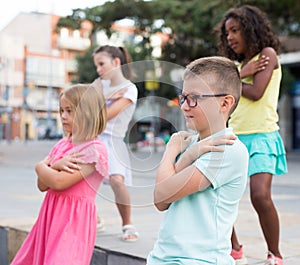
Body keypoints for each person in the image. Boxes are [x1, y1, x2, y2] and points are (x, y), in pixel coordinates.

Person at [147, 56, 249, 265]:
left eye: (194, 98)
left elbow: (161, 194)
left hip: (198, 260)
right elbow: (162, 202)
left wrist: (171, 151)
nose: (184, 106)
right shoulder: (193, 143)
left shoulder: (227, 149)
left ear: (225, 102)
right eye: (183, 97)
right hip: (164, 257)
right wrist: (191, 153)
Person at [216, 5, 288, 265]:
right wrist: (237, 74)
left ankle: (275, 253)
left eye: (235, 30)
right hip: (233, 137)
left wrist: (231, 80)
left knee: (260, 195)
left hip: (262, 136)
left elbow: (256, 92)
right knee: (218, 194)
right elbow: (217, 92)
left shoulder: (267, 55)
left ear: (250, 29)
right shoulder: (236, 66)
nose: (230, 37)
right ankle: (234, 249)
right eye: (227, 33)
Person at [11, 84, 108, 264]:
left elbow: (57, 181)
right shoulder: (62, 145)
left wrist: (42, 166)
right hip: (51, 216)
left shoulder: (93, 150)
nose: (63, 116)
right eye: (61, 110)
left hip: (73, 222)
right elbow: (42, 185)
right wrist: (49, 166)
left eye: (70, 111)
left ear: (88, 113)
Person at [93, 45, 139, 242]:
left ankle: (127, 224)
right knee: (82, 181)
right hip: (92, 138)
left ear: (116, 62)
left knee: (116, 181)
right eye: (96, 65)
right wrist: (106, 97)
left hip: (113, 141)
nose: (98, 69)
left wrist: (100, 101)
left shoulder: (130, 89)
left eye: (101, 64)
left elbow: (106, 115)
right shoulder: (99, 84)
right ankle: (94, 219)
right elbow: (82, 106)